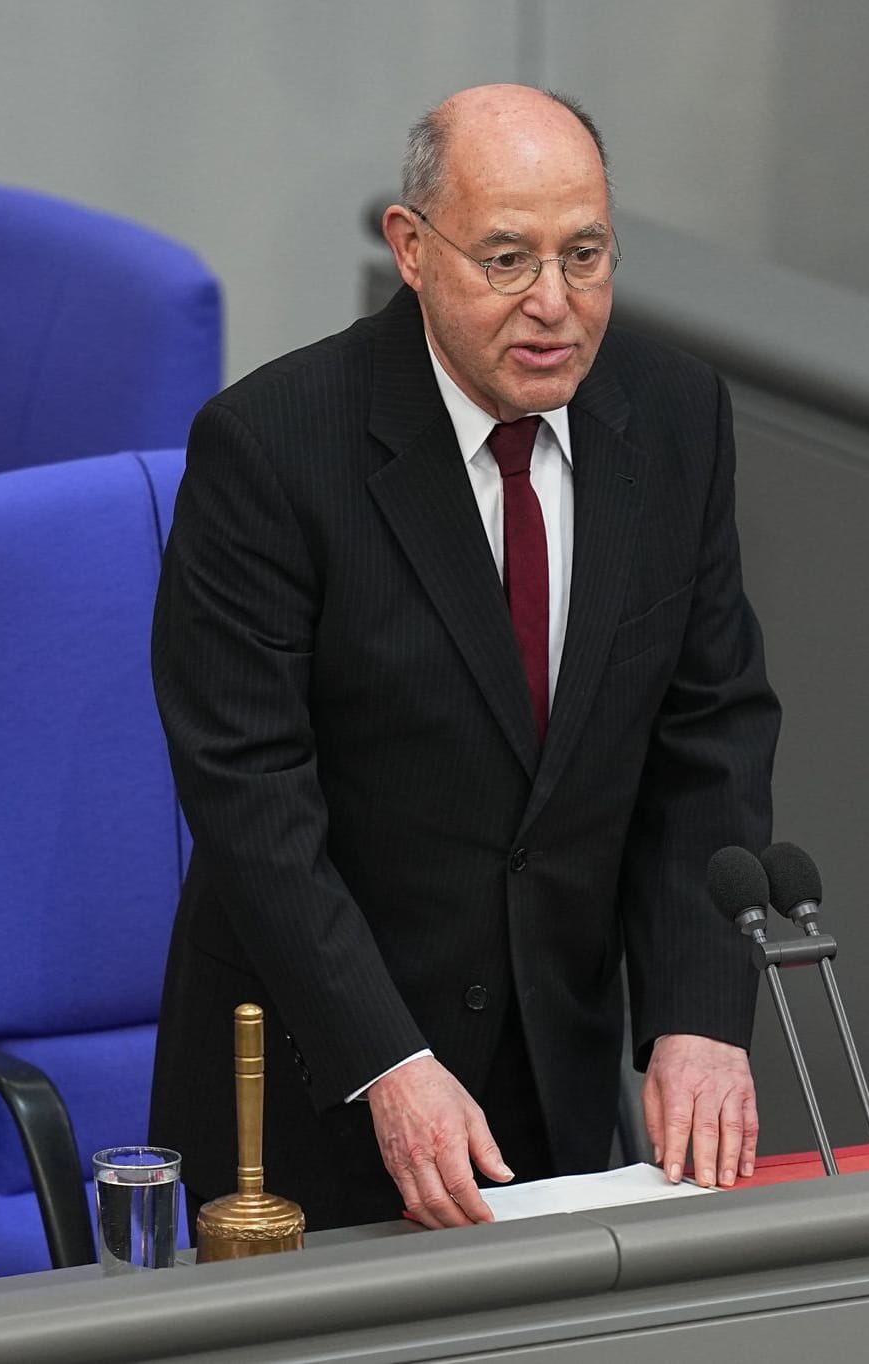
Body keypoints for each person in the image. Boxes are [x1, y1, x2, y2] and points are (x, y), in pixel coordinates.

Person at [149, 83, 780, 1233]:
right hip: (316, 1090)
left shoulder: (675, 417)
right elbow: (252, 800)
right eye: (506, 260)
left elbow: (709, 731)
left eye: (584, 255)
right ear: (410, 247)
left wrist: (699, 1010)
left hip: (555, 1071)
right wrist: (386, 1057)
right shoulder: (273, 450)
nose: (554, 305)